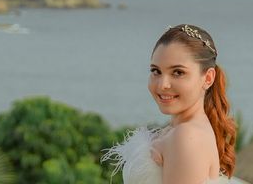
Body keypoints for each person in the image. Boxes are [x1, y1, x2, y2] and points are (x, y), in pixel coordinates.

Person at [103, 24, 245, 184]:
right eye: (156, 71)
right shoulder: (182, 129)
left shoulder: (186, 136)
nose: (163, 84)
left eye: (178, 72)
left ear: (208, 78)